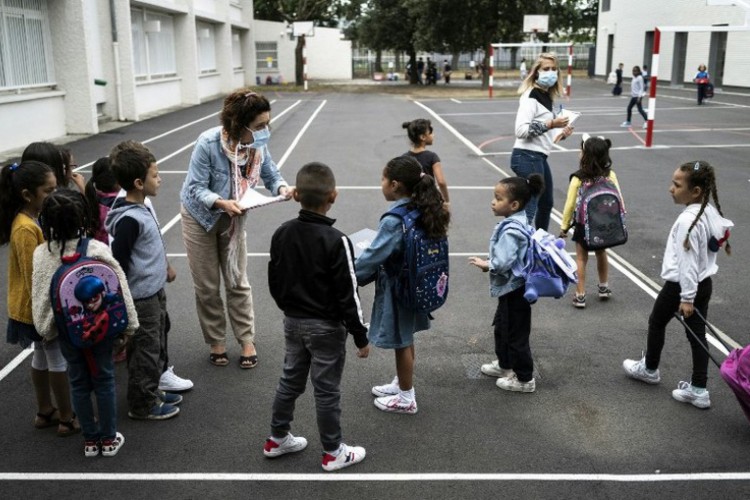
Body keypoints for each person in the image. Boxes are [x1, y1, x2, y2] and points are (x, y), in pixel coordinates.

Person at [264, 162, 369, 471]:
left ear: (296, 195)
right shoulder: (337, 240)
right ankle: (333, 451)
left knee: (290, 380)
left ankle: (277, 438)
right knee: (326, 390)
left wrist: (288, 308)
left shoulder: (282, 233)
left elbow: (274, 278)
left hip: (293, 322)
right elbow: (348, 294)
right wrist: (360, 335)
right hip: (326, 328)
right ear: (333, 196)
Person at [180, 90, 291, 368]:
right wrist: (220, 202)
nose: (265, 131)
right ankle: (216, 340)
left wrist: (282, 188)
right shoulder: (207, 143)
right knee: (207, 286)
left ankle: (246, 339)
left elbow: (271, 173)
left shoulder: (256, 145)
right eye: (259, 126)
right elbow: (195, 188)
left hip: (234, 219)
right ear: (237, 125)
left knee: (237, 281)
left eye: (267, 124)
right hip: (200, 217)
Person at [32, 189, 138, 457]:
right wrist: (129, 325)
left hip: (69, 333)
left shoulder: (41, 254)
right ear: (82, 217)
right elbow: (119, 283)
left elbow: (41, 291)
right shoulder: (96, 248)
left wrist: (46, 328)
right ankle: (109, 439)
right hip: (102, 332)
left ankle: (90, 440)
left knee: (77, 382)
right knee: (104, 380)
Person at [623, 161, 733, 409]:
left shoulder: (687, 221)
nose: (670, 188)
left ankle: (650, 369)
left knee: (657, 322)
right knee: (697, 335)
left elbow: (688, 262)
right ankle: (699, 388)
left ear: (695, 192)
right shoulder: (708, 211)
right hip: (703, 283)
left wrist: (686, 297)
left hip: (682, 286)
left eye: (676, 184)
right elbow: (720, 234)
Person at [355, 156, 450, 414]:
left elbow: (374, 256)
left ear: (395, 185)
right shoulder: (424, 207)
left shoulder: (394, 219)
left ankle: (406, 397)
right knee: (406, 337)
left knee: (401, 340)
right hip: (416, 283)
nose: (381, 184)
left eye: (383, 179)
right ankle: (402, 382)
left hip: (399, 288)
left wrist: (349, 271)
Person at [0, 160, 80, 437]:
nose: (53, 195)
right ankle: (66, 417)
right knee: (57, 360)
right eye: (48, 191)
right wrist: (47, 310)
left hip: (34, 306)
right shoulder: (25, 228)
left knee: (42, 358)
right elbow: (34, 274)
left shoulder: (32, 220)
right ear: (27, 195)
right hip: (37, 307)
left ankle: (45, 411)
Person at [106, 141, 182, 420]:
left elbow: (150, 246)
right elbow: (119, 261)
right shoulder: (129, 220)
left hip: (154, 290)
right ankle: (141, 404)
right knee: (145, 350)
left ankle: (151, 390)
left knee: (158, 340)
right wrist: (123, 301)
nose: (160, 179)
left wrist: (165, 267)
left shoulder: (142, 208)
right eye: (155, 175)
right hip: (140, 297)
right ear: (139, 182)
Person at [469, 175, 545, 393]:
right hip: (511, 288)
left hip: (515, 289)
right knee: (503, 327)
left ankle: (524, 379)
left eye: (498, 198)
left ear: (514, 205)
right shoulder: (518, 221)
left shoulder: (511, 230)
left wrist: (486, 264)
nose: (493, 202)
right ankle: (505, 365)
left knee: (515, 334)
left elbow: (502, 263)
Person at [510, 52, 574, 231]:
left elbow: (545, 134)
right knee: (530, 208)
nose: (551, 72)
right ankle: (517, 246)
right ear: (536, 72)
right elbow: (521, 130)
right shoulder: (531, 96)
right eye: (546, 69)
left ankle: (540, 241)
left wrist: (561, 132)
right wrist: (551, 123)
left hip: (538, 156)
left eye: (554, 69)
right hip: (526, 156)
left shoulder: (546, 96)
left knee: (546, 204)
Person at [559, 134, 623, 308]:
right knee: (602, 252)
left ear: (585, 155)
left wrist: (564, 227)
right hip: (603, 223)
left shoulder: (578, 177)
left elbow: (570, 204)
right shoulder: (610, 175)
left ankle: (580, 294)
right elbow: (619, 199)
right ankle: (604, 287)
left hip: (583, 224)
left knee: (581, 259)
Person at [402, 119, 450, 205]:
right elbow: (441, 182)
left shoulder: (404, 158)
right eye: (430, 132)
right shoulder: (432, 157)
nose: (433, 135)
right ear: (423, 137)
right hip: (429, 201)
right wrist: (446, 201)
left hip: (411, 201)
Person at [85, 157, 120, 245]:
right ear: (117, 181)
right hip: (111, 253)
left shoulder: (93, 199)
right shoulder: (118, 206)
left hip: (95, 251)